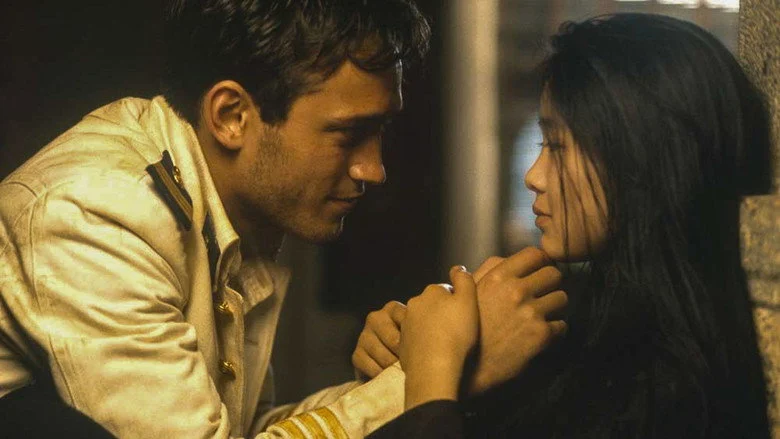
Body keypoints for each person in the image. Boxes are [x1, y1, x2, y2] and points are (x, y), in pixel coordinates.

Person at [0, 1, 438, 437]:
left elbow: (234, 430)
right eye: (349, 134)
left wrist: (409, 373)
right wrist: (427, 381)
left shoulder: (214, 204)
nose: (373, 170)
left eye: (380, 130)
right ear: (231, 116)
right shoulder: (97, 215)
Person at [357, 13, 772, 438]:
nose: (533, 176)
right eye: (542, 143)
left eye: (556, 146)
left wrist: (432, 376)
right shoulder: (582, 326)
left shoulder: (669, 390)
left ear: (642, 158)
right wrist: (402, 369)